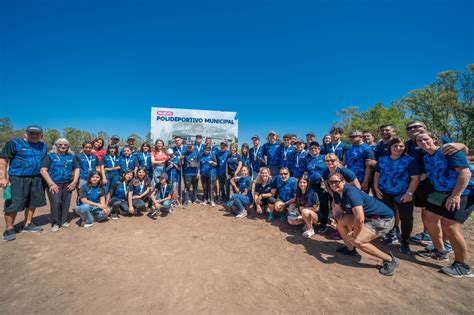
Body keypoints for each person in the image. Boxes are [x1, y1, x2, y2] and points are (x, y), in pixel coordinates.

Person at [415, 131, 473, 277]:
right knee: (429, 218)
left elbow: (465, 173)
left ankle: (462, 266)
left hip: (463, 192)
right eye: (419, 141)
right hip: (440, 191)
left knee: (450, 226)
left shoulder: (449, 151)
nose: (423, 142)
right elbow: (429, 173)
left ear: (434, 139)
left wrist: (455, 195)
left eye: (425, 139)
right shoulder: (427, 157)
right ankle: (440, 251)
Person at [405, 120, 467, 245]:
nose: (412, 129)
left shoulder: (440, 138)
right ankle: (427, 234)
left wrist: (461, 144)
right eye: (409, 128)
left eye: (416, 126)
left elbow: (461, 151)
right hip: (426, 183)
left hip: (449, 184)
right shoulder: (408, 144)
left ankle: (446, 242)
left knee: (448, 218)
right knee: (428, 210)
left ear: (425, 127)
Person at [328, 173, 400, 276]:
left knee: (357, 241)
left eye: (336, 182)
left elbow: (360, 219)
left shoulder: (351, 193)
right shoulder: (337, 192)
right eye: (331, 182)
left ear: (343, 181)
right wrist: (335, 220)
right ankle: (350, 249)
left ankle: (390, 259)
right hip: (367, 217)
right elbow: (339, 211)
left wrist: (354, 234)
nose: (333, 185)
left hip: (382, 220)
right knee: (340, 223)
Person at [374, 138, 421, 253]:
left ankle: (405, 241)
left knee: (406, 218)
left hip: (403, 193)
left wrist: (409, 193)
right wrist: (375, 187)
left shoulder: (410, 160)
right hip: (384, 192)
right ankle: (391, 234)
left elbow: (415, 178)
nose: (398, 148)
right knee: (389, 215)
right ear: (390, 147)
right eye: (395, 146)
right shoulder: (382, 159)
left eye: (401, 146)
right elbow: (377, 174)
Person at [1, 125, 48, 241]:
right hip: (18, 178)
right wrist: (3, 178)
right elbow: (3, 160)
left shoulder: (43, 146)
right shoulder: (14, 143)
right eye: (31, 133)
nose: (34, 135)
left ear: (41, 135)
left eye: (37, 133)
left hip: (37, 178)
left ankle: (28, 224)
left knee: (33, 202)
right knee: (13, 203)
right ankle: (9, 228)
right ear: (25, 134)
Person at [40, 138, 80, 232]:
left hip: (67, 183)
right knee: (56, 202)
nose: (63, 146)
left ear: (68, 146)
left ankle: (63, 220)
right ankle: (55, 222)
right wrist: (50, 184)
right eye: (60, 144)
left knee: (66, 202)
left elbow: (77, 169)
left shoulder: (71, 156)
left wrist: (74, 182)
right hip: (54, 183)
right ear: (56, 145)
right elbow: (43, 170)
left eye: (65, 145)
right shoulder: (50, 156)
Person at [322, 153, 361, 240]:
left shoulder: (345, 172)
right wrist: (334, 197)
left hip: (350, 196)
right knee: (336, 210)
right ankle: (340, 230)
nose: (330, 162)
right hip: (337, 194)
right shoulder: (325, 172)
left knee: (350, 214)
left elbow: (357, 186)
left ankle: (354, 233)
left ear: (337, 161)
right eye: (327, 161)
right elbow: (327, 186)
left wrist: (349, 198)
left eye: (332, 160)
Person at [304, 141, 329, 232]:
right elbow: (306, 172)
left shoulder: (324, 158)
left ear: (319, 149)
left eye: (315, 148)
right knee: (312, 203)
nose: (313, 150)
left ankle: (323, 224)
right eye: (311, 148)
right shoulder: (308, 159)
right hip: (312, 184)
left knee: (323, 204)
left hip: (323, 185)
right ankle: (312, 222)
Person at [182, 141, 200, 207]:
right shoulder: (184, 153)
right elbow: (182, 163)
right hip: (187, 173)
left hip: (195, 173)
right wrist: (181, 159)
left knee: (195, 186)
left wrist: (198, 172)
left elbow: (199, 163)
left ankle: (195, 198)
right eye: (188, 147)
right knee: (187, 187)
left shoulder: (197, 153)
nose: (189, 148)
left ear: (193, 146)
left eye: (190, 146)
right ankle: (186, 201)